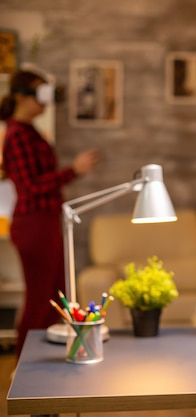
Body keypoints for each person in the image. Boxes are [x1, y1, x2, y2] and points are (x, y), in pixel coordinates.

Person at [0, 70, 100, 358]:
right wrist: (74, 171)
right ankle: (25, 370)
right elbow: (30, 186)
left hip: (45, 220)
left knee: (55, 297)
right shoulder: (18, 134)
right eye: (38, 93)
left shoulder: (29, 131)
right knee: (40, 301)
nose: (44, 101)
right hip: (34, 224)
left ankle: (44, 366)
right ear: (21, 96)